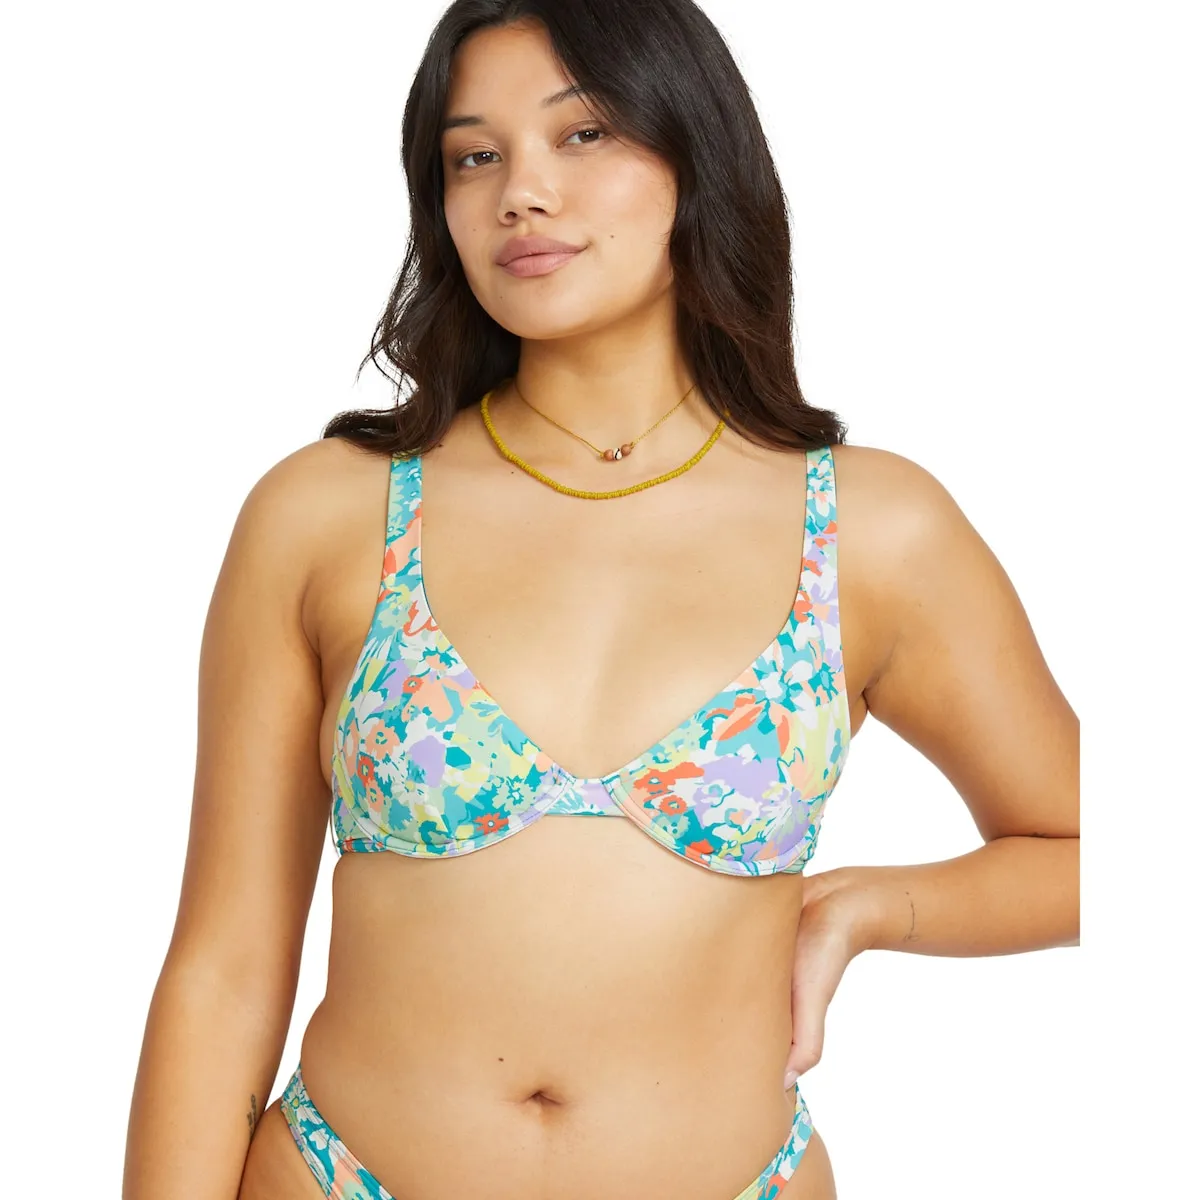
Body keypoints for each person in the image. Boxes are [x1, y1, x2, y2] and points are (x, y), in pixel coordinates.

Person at [122, 2, 1080, 1197]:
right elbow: (223, 969)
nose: (520, 193)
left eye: (582, 135)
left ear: (697, 156)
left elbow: (1094, 844)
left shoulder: (871, 530)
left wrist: (877, 906)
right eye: (475, 156)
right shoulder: (327, 514)